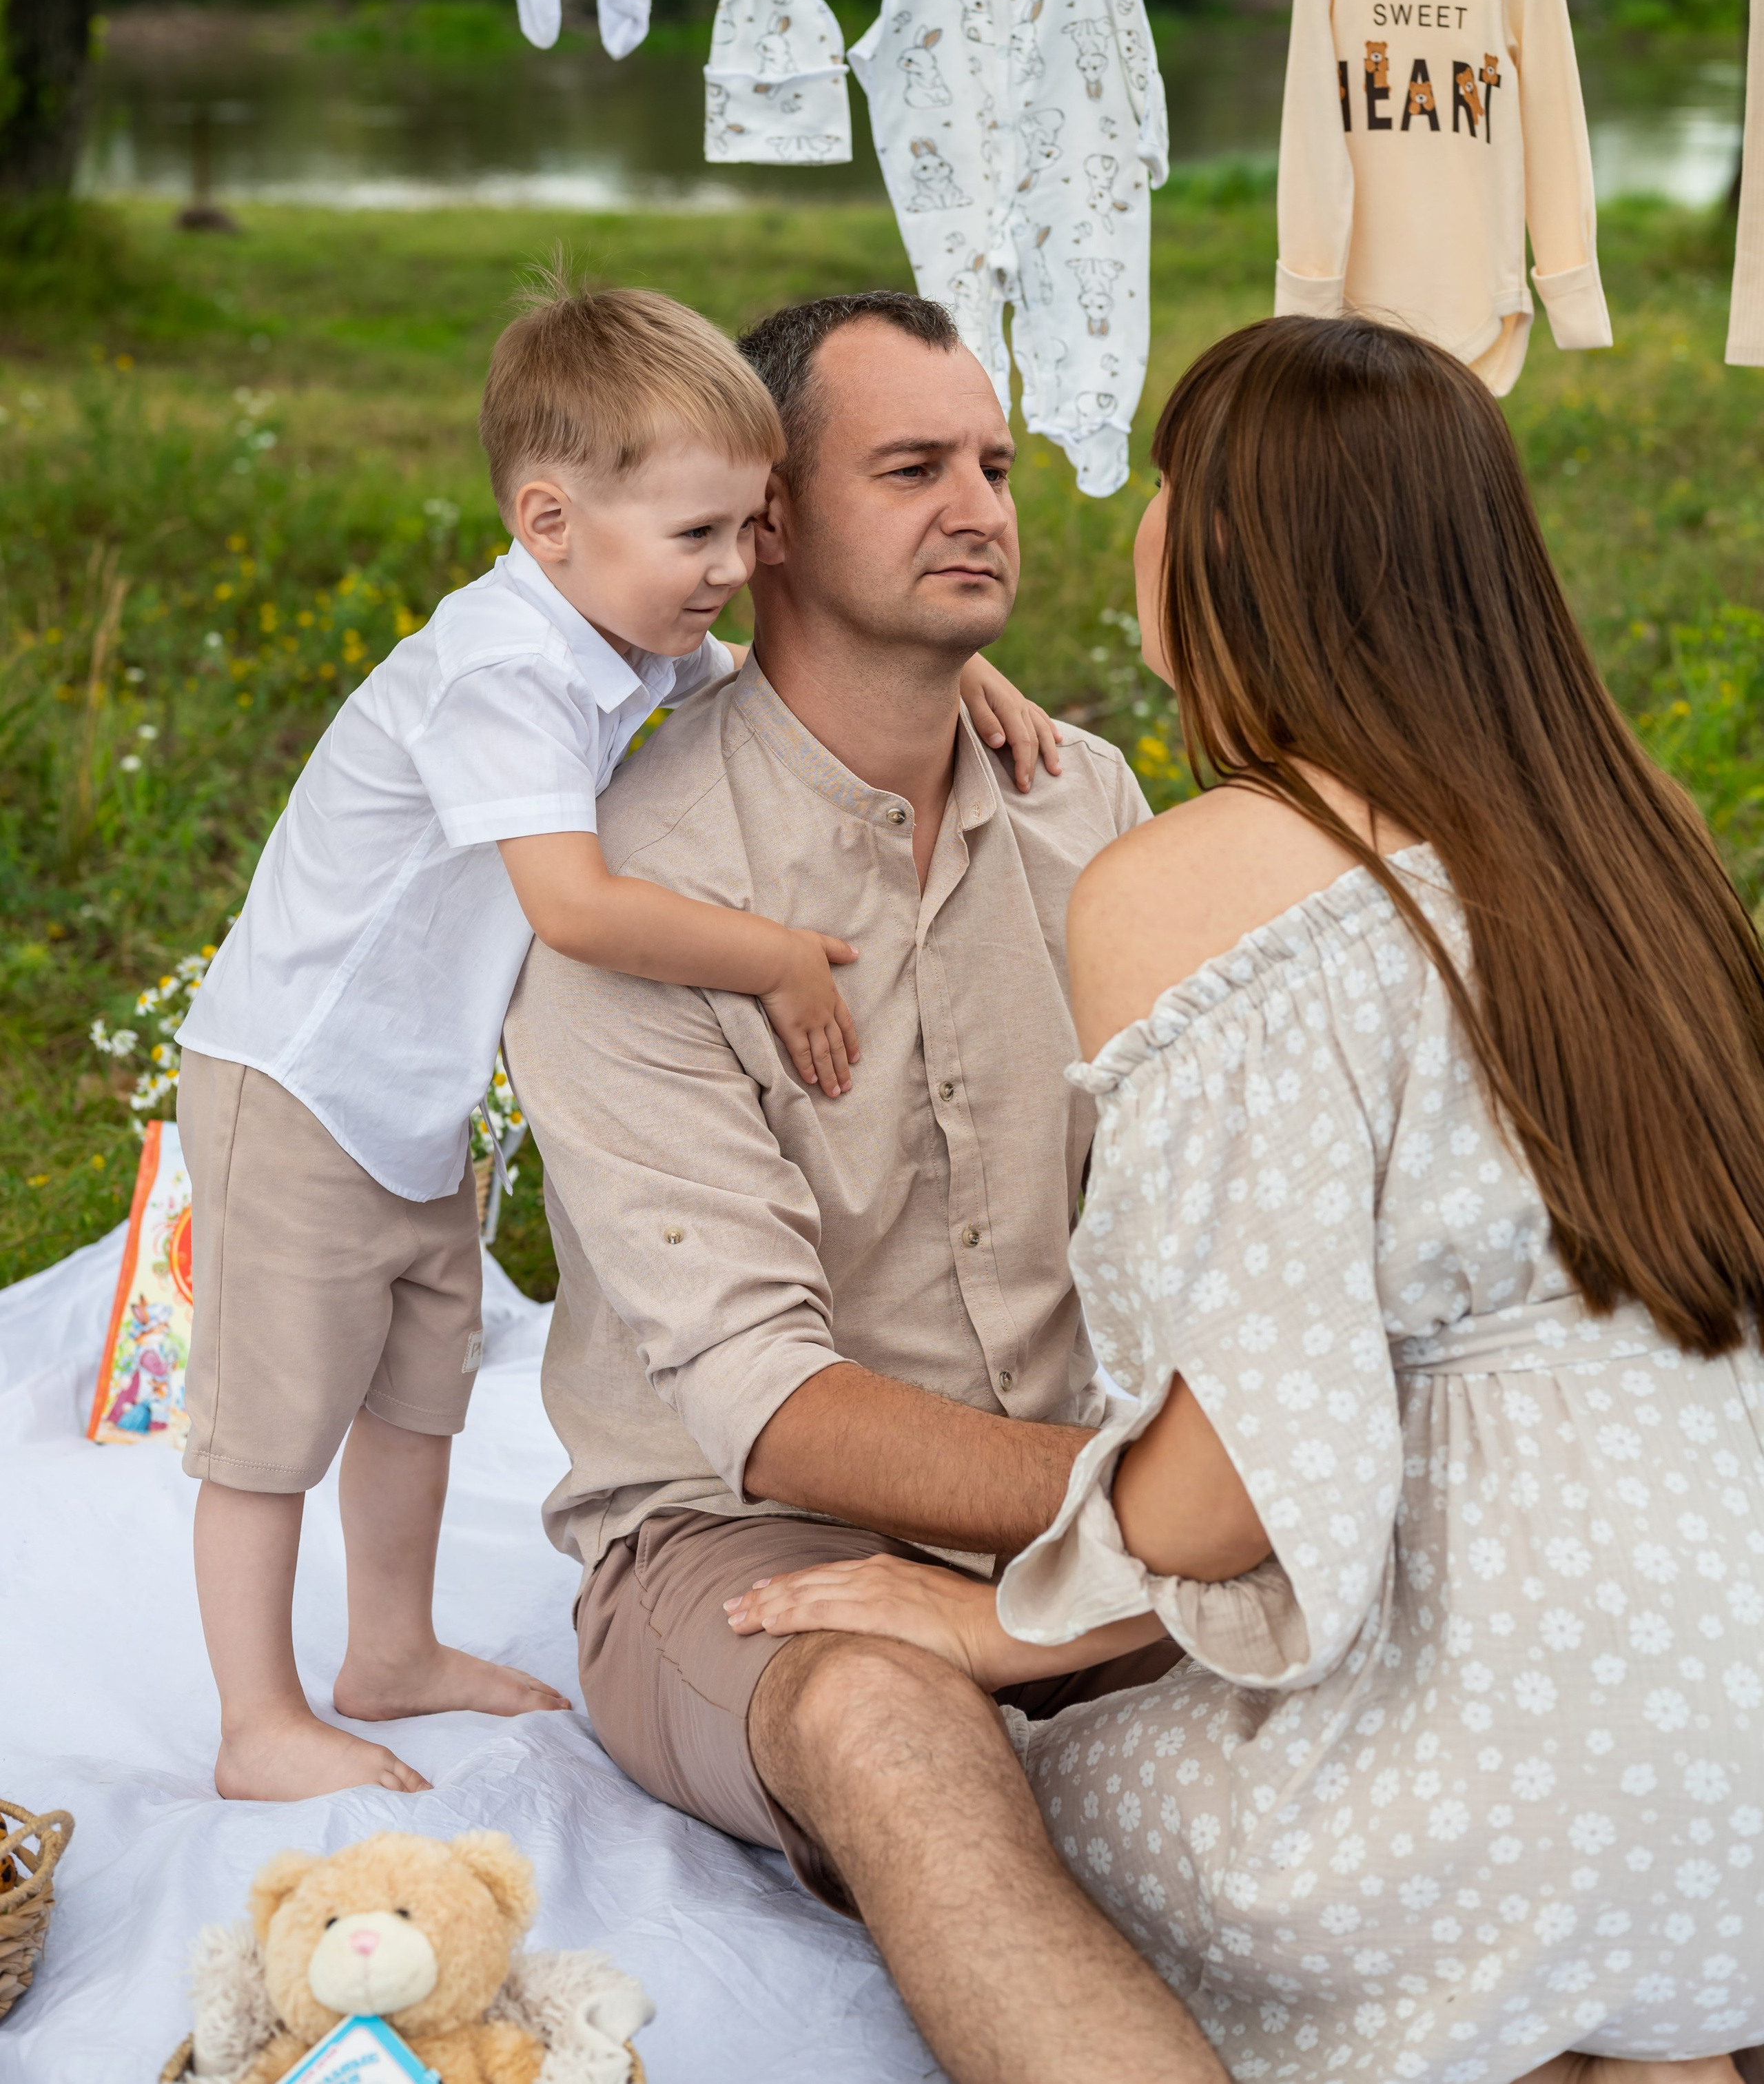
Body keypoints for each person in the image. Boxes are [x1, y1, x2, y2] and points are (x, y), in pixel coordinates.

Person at [730, 314, 1764, 2084]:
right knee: (1588, 1946)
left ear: (1231, 552)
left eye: (1160, 483)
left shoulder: (1195, 880)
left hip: (1493, 1740)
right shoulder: (1635, 838)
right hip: (1726, 1734)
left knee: (1002, 1818)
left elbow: (1231, 1479)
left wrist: (985, 1620)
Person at [174, 274, 1049, 1804]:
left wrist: (955, 654)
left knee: (417, 1383)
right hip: (297, 1078)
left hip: (409, 1098)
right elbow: (575, 907)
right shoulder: (504, 670)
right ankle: (256, 1718)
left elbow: (795, 671)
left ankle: (390, 1650)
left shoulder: (627, 621)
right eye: (698, 538)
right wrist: (774, 956)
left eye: (742, 529)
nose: (727, 570)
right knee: (268, 1421)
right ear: (547, 519)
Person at [502, 288, 1235, 2084]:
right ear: (764, 524)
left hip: (1103, 1487)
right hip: (752, 1538)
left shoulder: (1093, 805)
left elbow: (1196, 1212)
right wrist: (1176, 1520)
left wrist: (1183, 1526)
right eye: (910, 467)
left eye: (989, 462)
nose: (981, 504)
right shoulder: (628, 889)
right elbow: (769, 1410)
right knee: (889, 1726)